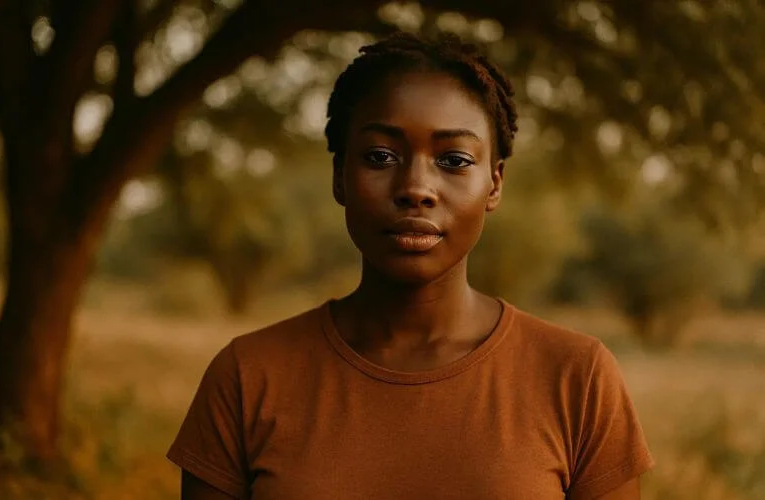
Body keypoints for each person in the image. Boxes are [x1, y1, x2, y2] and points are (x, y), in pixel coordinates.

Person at [168, 32, 654, 499]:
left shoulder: (576, 378)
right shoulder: (248, 377)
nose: (416, 187)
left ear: (495, 183)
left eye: (455, 160)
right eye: (381, 155)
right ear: (340, 176)